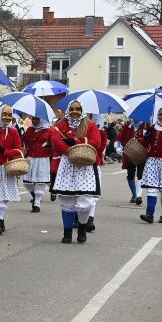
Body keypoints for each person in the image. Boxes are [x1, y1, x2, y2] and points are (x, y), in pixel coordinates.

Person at [51, 101, 103, 244]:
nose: (75, 112)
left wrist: (75, 141)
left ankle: (81, 228)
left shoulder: (90, 125)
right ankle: (67, 233)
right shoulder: (60, 125)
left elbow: (96, 142)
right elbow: (55, 140)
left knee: (85, 202)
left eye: (78, 109)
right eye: (72, 109)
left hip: (85, 165)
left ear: (82, 110)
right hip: (67, 164)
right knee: (67, 201)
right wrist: (68, 151)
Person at [0, 105, 24, 235]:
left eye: (10, 115)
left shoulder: (14, 131)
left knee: (3, 197)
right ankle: (0, 218)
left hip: (8, 168)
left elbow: (19, 150)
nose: (7, 117)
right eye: (4, 114)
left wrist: (6, 152)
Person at [21, 114, 54, 212]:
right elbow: (25, 142)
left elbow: (54, 146)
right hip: (30, 158)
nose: (35, 121)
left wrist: (49, 146)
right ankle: (35, 196)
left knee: (40, 182)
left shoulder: (49, 131)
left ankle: (37, 204)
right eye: (33, 119)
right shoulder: (30, 130)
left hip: (42, 159)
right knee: (27, 182)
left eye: (37, 119)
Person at [116, 118, 145, 204]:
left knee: (140, 174)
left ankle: (139, 195)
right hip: (129, 154)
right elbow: (119, 138)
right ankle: (134, 194)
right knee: (130, 174)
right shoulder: (127, 126)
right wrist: (117, 146)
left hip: (142, 154)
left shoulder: (146, 125)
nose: (135, 117)